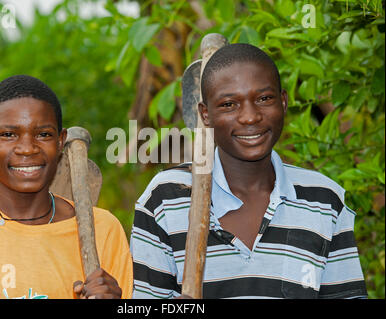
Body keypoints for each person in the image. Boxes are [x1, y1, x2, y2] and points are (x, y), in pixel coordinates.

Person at [130, 43, 368, 299]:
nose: (250, 117)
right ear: (205, 114)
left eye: (264, 99)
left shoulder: (324, 199)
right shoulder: (165, 199)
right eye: (229, 104)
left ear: (284, 102)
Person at [0, 75, 132, 299]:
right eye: (9, 135)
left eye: (43, 135)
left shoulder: (102, 229)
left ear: (60, 141)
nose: (27, 149)